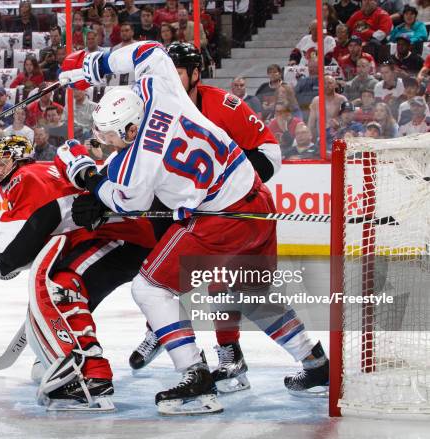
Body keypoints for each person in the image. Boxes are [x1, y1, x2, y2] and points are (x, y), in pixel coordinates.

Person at [57, 41, 328, 413]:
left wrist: (83, 171)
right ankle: (315, 363)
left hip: (220, 220)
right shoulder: (163, 91)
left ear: (131, 127)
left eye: (109, 134)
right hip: (255, 200)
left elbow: (123, 201)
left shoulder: (140, 164)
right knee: (251, 294)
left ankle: (195, 377)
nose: (105, 141)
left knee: (150, 289)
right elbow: (150, 52)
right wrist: (93, 64)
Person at [0, 135, 157, 410]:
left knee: (61, 285)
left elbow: (13, 253)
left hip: (118, 236)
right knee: (66, 285)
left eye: (2, 162)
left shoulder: (24, 177)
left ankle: (89, 375)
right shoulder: (43, 172)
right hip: (120, 234)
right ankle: (61, 355)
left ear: (18, 161)